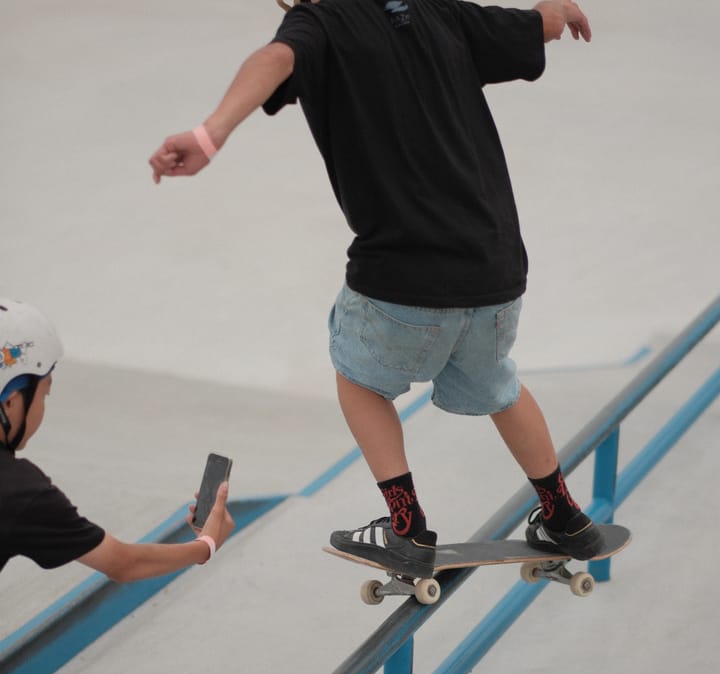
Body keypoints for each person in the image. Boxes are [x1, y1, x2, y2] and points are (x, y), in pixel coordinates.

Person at [149, 0, 602, 580]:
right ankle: (564, 514)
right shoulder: (438, 11)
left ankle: (405, 529)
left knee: (358, 376)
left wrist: (209, 134)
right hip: (496, 269)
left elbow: (273, 58)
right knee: (499, 384)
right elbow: (534, 24)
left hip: (404, 275)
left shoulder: (319, 22)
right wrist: (555, 12)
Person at [0, 297, 235, 584]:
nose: (43, 407)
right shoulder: (19, 491)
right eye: (44, 394)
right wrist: (206, 545)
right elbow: (124, 563)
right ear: (11, 402)